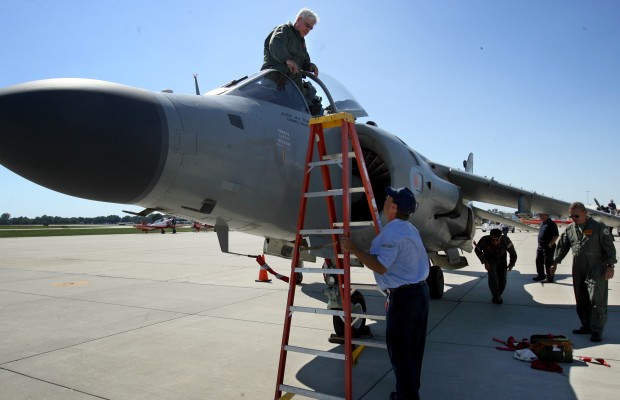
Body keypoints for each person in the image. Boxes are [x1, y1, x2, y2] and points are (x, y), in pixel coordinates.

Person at [341, 186, 429, 400]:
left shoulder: (394, 233)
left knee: (400, 352)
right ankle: (407, 392)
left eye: (389, 197)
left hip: (404, 299)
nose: (385, 198)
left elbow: (380, 266)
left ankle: (407, 397)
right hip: (419, 294)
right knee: (413, 350)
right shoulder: (409, 228)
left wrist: (353, 249)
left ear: (394, 206)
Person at [552, 202, 616, 342]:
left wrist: (610, 265)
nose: (574, 218)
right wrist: (555, 262)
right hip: (578, 267)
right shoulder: (570, 229)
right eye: (571, 216)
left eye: (576, 215)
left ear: (585, 212)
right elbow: (562, 245)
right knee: (581, 298)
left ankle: (597, 330)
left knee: (597, 299)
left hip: (596, 267)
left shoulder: (598, 226)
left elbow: (609, 246)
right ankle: (586, 325)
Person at [261, 8, 320, 112]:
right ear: (298, 19)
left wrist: (311, 66)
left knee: (310, 91)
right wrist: (287, 59)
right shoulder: (284, 29)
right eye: (307, 25)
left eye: (311, 28)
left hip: (289, 79)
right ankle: (307, 108)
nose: (308, 30)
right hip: (274, 75)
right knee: (295, 72)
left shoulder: (301, 42)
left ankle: (308, 107)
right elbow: (275, 44)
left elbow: (304, 61)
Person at [474, 228, 517, 304]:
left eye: (497, 240)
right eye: (493, 240)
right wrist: (485, 262)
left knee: (503, 279)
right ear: (490, 237)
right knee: (493, 279)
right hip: (490, 261)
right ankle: (496, 297)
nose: (495, 242)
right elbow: (477, 250)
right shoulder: (484, 240)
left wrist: (511, 264)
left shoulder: (506, 240)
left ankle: (498, 295)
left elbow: (513, 253)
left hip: (502, 260)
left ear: (500, 237)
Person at [533, 213, 559, 282]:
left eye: (541, 215)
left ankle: (549, 278)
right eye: (539, 215)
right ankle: (541, 275)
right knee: (538, 261)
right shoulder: (542, 223)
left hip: (548, 247)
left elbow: (556, 235)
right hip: (540, 247)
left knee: (548, 263)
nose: (540, 217)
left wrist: (551, 244)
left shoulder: (552, 224)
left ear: (546, 215)